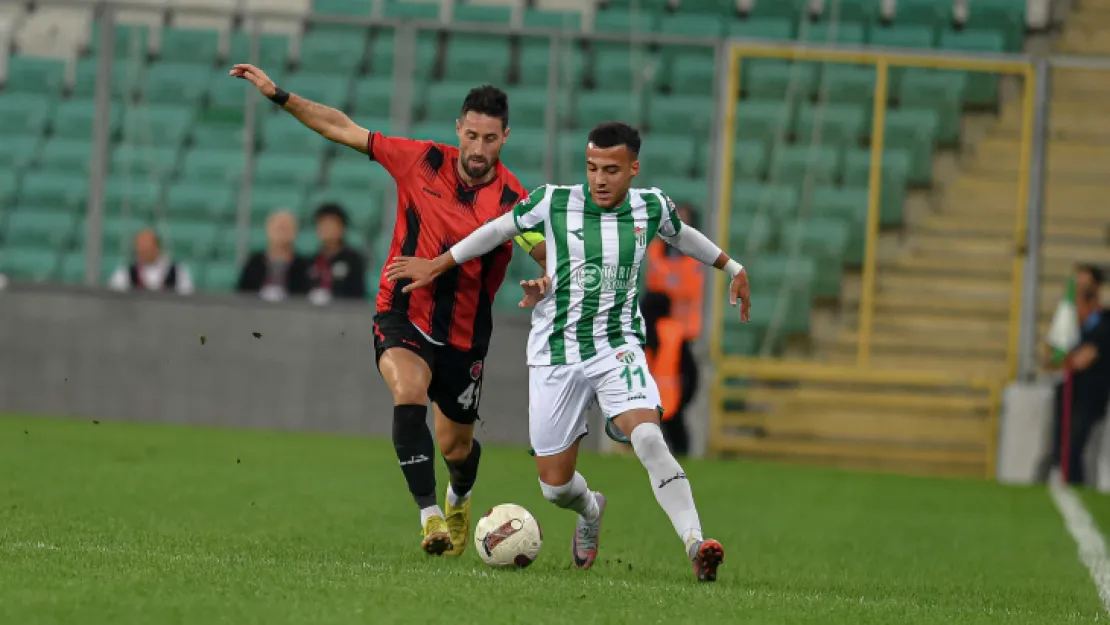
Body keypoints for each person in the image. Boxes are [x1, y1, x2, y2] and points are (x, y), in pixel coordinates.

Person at [386, 122, 751, 582]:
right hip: (555, 354)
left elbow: (682, 235)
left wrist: (732, 266)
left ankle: (696, 544)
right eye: (592, 167)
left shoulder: (651, 206)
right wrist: (437, 264)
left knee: (649, 438)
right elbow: (494, 231)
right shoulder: (552, 201)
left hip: (618, 346)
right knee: (555, 488)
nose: (599, 178)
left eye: (612, 170)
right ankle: (590, 509)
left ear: (633, 169)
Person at [230, 64, 547, 557]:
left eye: (490, 139)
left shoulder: (515, 200)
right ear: (458, 129)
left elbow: (543, 252)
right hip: (403, 313)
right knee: (407, 392)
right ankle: (429, 517)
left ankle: (458, 496)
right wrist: (280, 95)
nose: (479, 149)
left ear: (505, 137)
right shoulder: (420, 161)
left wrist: (545, 280)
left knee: (456, 449)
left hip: (465, 337)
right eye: (472, 135)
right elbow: (343, 128)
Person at [644, 203, 705, 456]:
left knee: (679, 390)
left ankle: (678, 445)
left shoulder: (697, 255)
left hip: (684, 334)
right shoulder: (656, 252)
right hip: (658, 331)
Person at [1044, 264, 1110, 485]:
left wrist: (1063, 360)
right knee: (1059, 448)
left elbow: (1083, 359)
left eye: (1084, 285)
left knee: (1075, 447)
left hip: (1091, 396)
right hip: (1067, 393)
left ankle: (1076, 487)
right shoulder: (1069, 321)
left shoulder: (1104, 321)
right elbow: (1052, 356)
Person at [236, 209, 311, 301]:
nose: (282, 233)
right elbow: (242, 294)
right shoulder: (254, 263)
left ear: (295, 232)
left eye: (286, 228)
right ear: (268, 230)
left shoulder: (303, 266)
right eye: (279, 228)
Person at [306, 203, 368, 304]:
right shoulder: (311, 260)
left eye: (332, 224)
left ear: (342, 228)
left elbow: (357, 296)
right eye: (323, 224)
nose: (327, 229)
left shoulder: (353, 260)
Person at [108, 228, 194, 295]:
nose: (141, 252)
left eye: (146, 249)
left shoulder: (178, 272)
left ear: (156, 247)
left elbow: (187, 299)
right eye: (139, 249)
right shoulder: (125, 274)